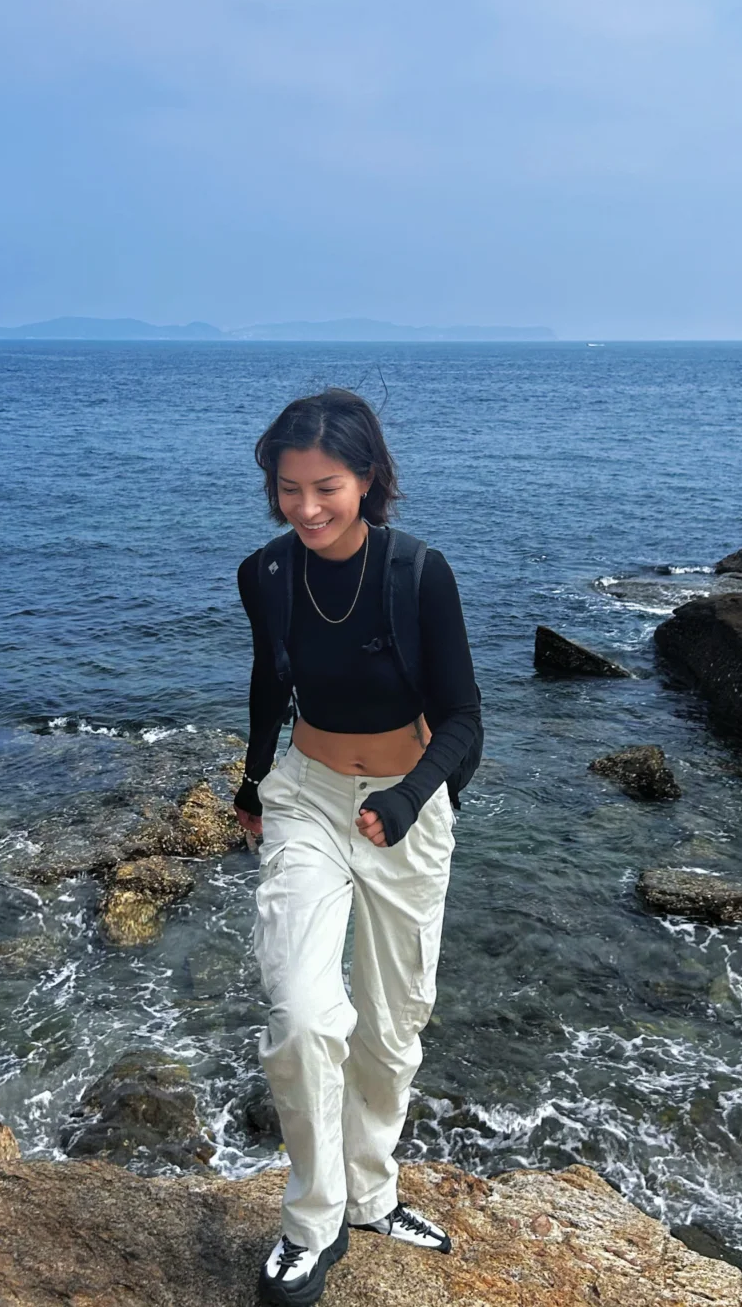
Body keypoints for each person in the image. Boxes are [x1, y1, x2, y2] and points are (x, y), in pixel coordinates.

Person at [233, 387, 482, 1306]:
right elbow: (270, 683)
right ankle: (313, 1222)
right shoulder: (265, 574)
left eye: (326, 487)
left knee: (392, 1021)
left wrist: (411, 798)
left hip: (405, 805)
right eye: (288, 488)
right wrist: (252, 781)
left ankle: (372, 1194)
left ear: (368, 479)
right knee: (301, 1013)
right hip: (305, 797)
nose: (305, 508)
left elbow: (464, 718)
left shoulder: (418, 573)